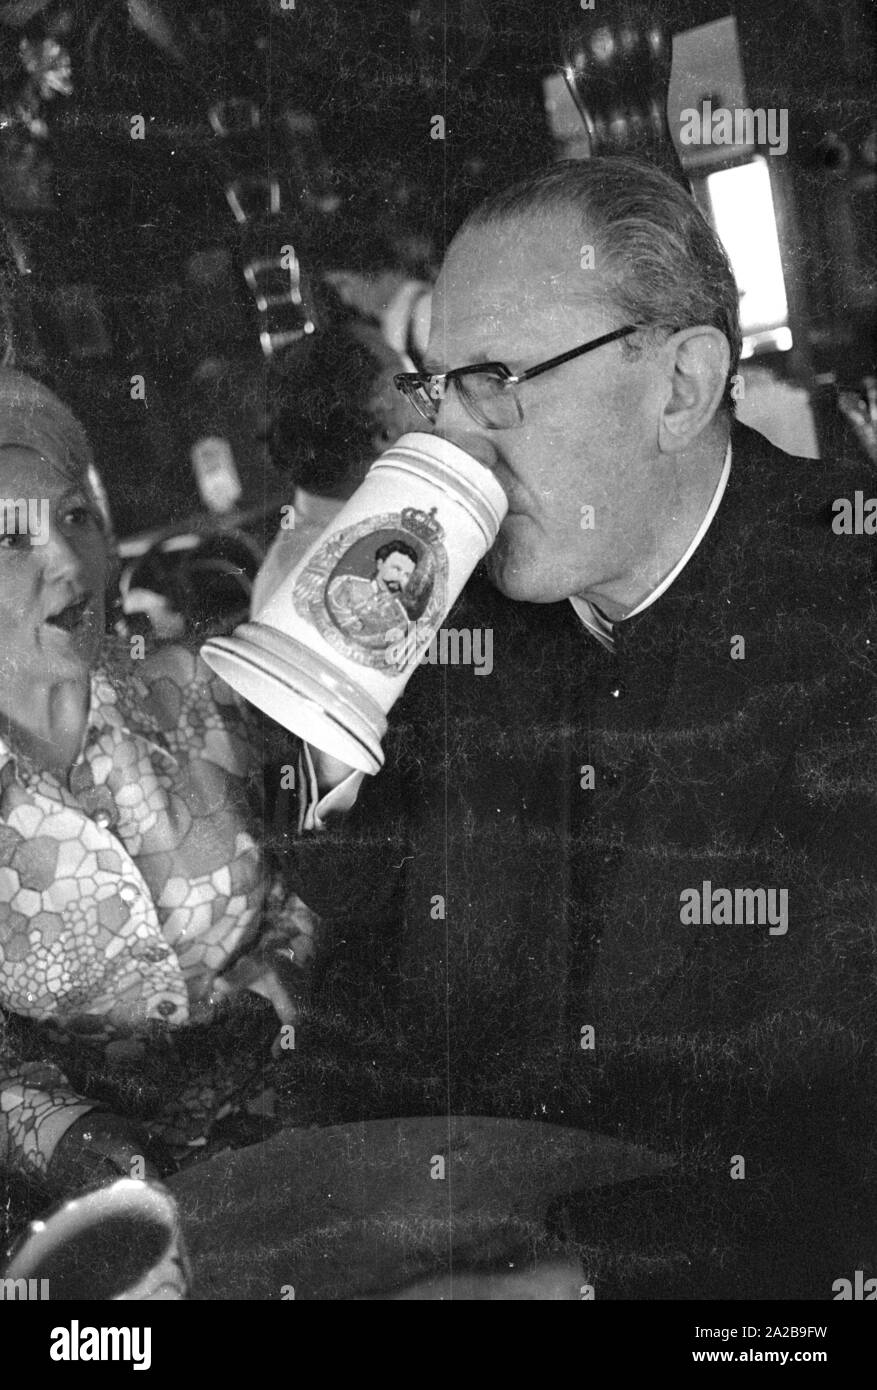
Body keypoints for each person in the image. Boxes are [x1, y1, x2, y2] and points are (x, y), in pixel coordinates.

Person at [283, 157, 875, 1294]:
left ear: (682, 385)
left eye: (499, 379)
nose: (454, 445)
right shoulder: (460, 639)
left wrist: (584, 1286)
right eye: (438, 391)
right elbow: (375, 1005)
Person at [0, 370, 311, 1196]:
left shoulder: (198, 691)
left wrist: (277, 990)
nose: (66, 558)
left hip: (316, 1132)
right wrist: (64, 1134)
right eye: (11, 538)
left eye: (75, 518)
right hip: (114, 1209)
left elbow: (322, 871)